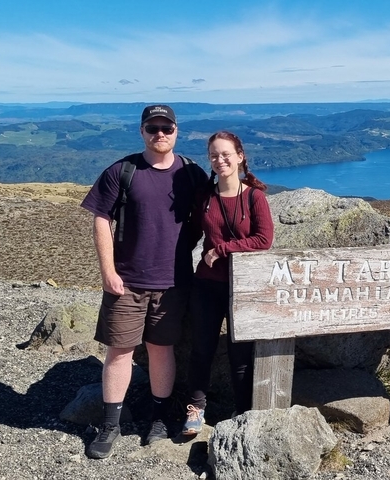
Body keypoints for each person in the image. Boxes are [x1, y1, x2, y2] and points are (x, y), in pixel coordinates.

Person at [79, 104, 207, 459]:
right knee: (119, 351)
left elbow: (212, 212)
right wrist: (108, 271)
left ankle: (160, 418)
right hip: (128, 281)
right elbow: (101, 218)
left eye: (166, 127)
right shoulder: (123, 171)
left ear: (177, 131)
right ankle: (109, 423)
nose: (160, 134)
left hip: (174, 283)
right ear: (142, 131)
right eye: (153, 127)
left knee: (160, 350)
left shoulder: (191, 174)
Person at [182, 130, 274, 435]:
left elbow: (264, 239)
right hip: (207, 285)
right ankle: (196, 407)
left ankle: (243, 411)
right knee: (202, 349)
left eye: (225, 154)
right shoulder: (205, 197)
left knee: (240, 354)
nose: (219, 160)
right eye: (213, 155)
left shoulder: (254, 196)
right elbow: (190, 233)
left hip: (242, 286)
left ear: (240, 156)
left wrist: (222, 249)